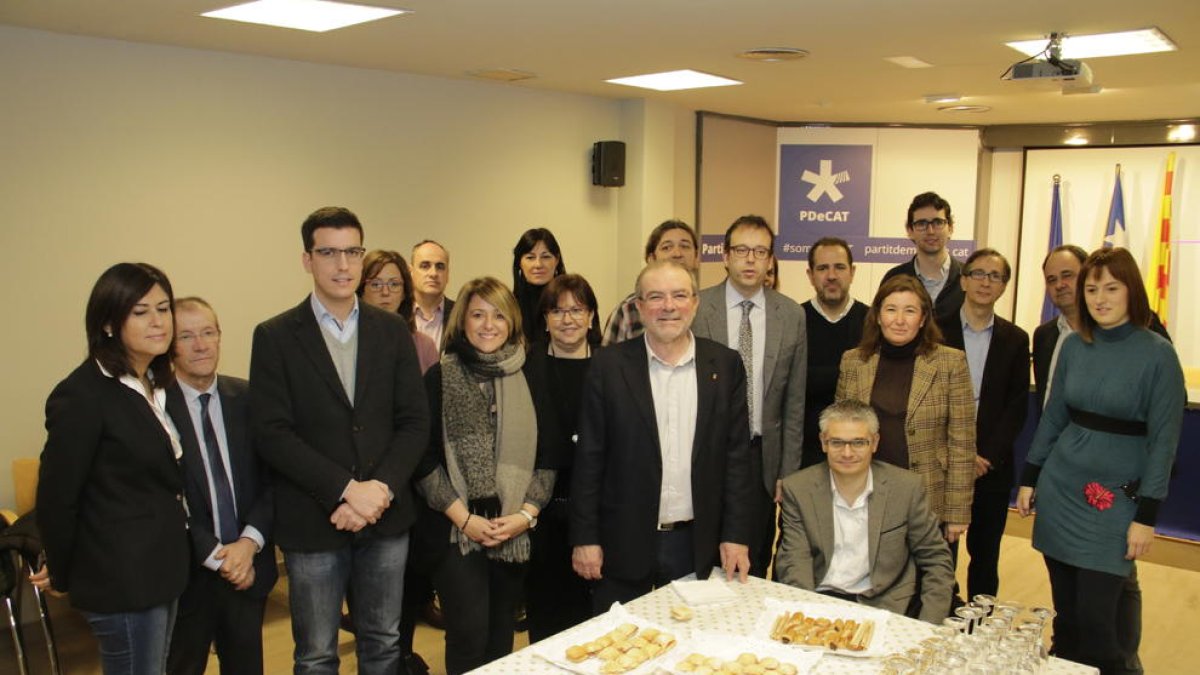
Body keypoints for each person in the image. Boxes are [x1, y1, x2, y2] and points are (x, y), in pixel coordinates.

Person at [250, 207, 429, 675]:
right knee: (315, 655)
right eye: (328, 252)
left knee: (384, 643)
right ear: (307, 260)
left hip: (386, 519)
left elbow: (413, 422)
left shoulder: (391, 330)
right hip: (313, 520)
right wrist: (347, 490)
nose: (343, 265)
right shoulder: (274, 336)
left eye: (352, 251)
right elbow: (272, 433)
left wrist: (380, 490)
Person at [1017, 247, 1184, 675]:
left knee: (1099, 629)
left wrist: (1147, 516)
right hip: (1061, 490)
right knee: (1068, 621)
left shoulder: (1157, 354)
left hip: (1115, 502)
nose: (1099, 298)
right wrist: (1030, 477)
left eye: (1111, 288)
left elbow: (1165, 440)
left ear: (1132, 292)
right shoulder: (1074, 345)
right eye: (1091, 289)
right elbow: (1053, 416)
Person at [570, 261, 755, 612]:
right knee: (619, 653)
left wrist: (735, 535)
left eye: (679, 295)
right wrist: (585, 538)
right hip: (622, 542)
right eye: (655, 297)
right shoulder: (607, 367)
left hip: (695, 544)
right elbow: (589, 460)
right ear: (638, 306)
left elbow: (736, 460)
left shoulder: (725, 365)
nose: (668, 306)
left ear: (695, 302)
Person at [34, 262, 190, 674]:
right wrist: (64, 569)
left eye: (164, 308)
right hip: (122, 579)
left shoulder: (151, 383)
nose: (159, 322)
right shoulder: (83, 395)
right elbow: (57, 496)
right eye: (141, 312)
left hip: (160, 570)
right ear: (108, 323)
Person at [413, 277, 555, 674]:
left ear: (511, 322)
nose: (488, 324)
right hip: (455, 532)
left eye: (497, 315)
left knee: (501, 636)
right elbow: (422, 460)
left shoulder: (531, 375)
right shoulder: (439, 378)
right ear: (463, 321)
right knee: (468, 636)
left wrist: (525, 516)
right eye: (477, 314)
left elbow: (549, 455)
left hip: (514, 529)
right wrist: (465, 519)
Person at [165, 297, 277, 675]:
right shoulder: (154, 408)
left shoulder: (248, 398)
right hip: (186, 574)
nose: (201, 345)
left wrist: (247, 545)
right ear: (170, 345)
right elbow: (164, 499)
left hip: (248, 568)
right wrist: (217, 556)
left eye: (208, 333)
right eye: (187, 336)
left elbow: (272, 479)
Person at [692, 215, 806, 577]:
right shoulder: (696, 308)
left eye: (760, 251)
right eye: (742, 250)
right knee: (702, 559)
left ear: (771, 260)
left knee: (752, 561)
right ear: (724, 256)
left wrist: (787, 471)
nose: (751, 259)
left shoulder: (791, 314)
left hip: (761, 457)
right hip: (704, 453)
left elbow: (794, 402)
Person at [775, 400, 954, 624]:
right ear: (823, 443)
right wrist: (806, 616)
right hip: (818, 599)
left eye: (858, 442)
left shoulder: (906, 488)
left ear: (874, 442)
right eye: (837, 442)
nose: (847, 453)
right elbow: (794, 561)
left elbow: (936, 560)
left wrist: (929, 625)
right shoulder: (798, 488)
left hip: (885, 605)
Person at [835, 275, 975, 549]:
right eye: (891, 309)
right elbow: (840, 435)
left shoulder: (950, 362)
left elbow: (962, 442)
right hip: (867, 496)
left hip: (928, 497)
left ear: (923, 319)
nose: (899, 319)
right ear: (877, 316)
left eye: (910, 310)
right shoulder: (853, 361)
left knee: (928, 583)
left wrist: (957, 512)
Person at [935, 249, 1029, 600]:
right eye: (978, 273)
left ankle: (980, 626)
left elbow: (1016, 407)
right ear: (963, 280)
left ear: (1004, 286)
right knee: (942, 554)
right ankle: (942, 616)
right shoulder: (935, 330)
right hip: (943, 462)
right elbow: (927, 399)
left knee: (985, 556)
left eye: (995, 276)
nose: (985, 281)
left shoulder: (1016, 339)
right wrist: (957, 454)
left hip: (991, 466)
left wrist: (983, 456)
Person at [523, 274, 601, 641]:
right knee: (547, 614)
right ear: (544, 319)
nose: (567, 319)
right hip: (541, 511)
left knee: (594, 620)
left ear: (591, 316)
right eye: (557, 311)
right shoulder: (525, 366)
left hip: (598, 512)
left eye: (576, 309)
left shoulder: (611, 366)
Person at [800, 237, 869, 469]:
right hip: (805, 456)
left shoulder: (873, 323)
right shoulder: (793, 321)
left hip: (860, 454)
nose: (831, 275)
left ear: (852, 272)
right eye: (822, 268)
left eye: (839, 267)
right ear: (810, 275)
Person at [601, 219, 699, 345]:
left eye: (685, 246)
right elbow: (609, 361)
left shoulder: (711, 306)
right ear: (651, 258)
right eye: (667, 247)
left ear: (697, 257)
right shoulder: (628, 310)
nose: (677, 254)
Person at [882, 191, 964, 322]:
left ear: (950, 228)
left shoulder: (968, 277)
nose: (930, 231)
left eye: (938, 222)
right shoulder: (894, 277)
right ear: (910, 231)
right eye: (921, 224)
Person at [359, 249, 439, 373]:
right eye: (376, 284)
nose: (385, 292)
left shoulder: (424, 346)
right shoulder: (349, 341)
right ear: (361, 291)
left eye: (394, 284)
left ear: (404, 293)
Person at [511, 228, 567, 346]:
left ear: (556, 260)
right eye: (530, 257)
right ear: (519, 263)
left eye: (545, 257)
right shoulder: (508, 306)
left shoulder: (574, 302)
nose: (538, 264)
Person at [411, 240, 454, 350]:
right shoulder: (397, 314)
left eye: (440, 267)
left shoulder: (461, 315)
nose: (433, 273)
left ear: (448, 274)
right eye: (425, 266)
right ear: (411, 272)